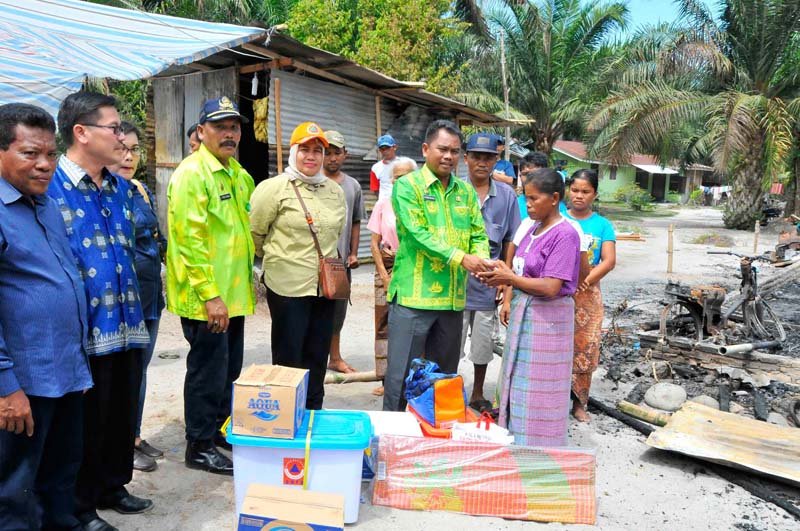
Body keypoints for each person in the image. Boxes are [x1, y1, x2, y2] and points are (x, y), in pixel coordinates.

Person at [49, 91, 153, 529]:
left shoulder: (120, 187)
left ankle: (114, 484)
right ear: (81, 132)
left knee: (120, 410)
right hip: (83, 328)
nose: (120, 136)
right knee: (85, 422)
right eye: (112, 127)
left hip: (126, 320)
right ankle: (80, 504)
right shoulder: (51, 187)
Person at [0, 103, 93, 531]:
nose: (44, 164)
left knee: (61, 472)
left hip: (66, 370)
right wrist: (6, 387)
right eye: (29, 153)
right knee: (15, 488)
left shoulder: (46, 206)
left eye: (51, 154)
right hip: (24, 382)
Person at [167, 97, 255, 476]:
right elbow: (189, 239)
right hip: (209, 298)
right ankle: (198, 445)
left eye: (234, 127)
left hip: (233, 296)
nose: (230, 134)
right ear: (201, 132)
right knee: (206, 372)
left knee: (228, 369)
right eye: (220, 127)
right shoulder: (192, 174)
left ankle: (218, 432)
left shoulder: (238, 174)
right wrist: (211, 295)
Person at [383, 120, 490, 412]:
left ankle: (433, 447)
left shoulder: (465, 193)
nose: (448, 156)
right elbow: (417, 235)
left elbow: (478, 233)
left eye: (455, 151)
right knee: (401, 379)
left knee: (443, 381)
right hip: (413, 299)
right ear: (426, 149)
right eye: (443, 149)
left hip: (452, 303)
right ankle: (390, 444)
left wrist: (481, 259)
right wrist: (462, 258)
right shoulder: (407, 186)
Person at [478, 168, 581, 447]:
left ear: (555, 198)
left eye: (535, 199)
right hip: (528, 315)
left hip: (548, 323)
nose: (529, 204)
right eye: (527, 198)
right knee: (519, 382)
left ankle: (539, 446)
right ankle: (517, 438)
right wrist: (501, 272)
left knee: (540, 388)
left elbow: (551, 287)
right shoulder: (533, 229)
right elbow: (521, 269)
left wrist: (510, 278)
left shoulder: (565, 235)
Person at [250, 122, 345, 410]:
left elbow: (336, 231)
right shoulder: (274, 188)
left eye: (318, 151)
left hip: (325, 287)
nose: (311, 157)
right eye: (304, 149)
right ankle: (285, 414)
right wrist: (280, 258)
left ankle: (313, 412)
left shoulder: (334, 191)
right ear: (293, 152)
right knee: (289, 355)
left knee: (317, 354)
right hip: (287, 286)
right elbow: (255, 232)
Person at [107, 121, 166, 472]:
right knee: (121, 375)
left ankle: (134, 435)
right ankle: (119, 444)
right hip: (120, 304)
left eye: (133, 150)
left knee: (139, 372)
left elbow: (157, 237)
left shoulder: (141, 190)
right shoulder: (103, 194)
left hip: (149, 297)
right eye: (121, 149)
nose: (128, 157)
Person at [459, 133, 521, 412]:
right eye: (476, 157)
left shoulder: (507, 195)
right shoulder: (455, 191)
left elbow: (511, 241)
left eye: (488, 158)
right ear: (466, 159)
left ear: (496, 160)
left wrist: (506, 281)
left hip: (488, 285)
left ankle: (477, 393)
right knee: (449, 345)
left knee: (483, 344)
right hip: (455, 283)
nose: (481, 163)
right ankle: (447, 391)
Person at [565, 169, 616, 422]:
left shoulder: (602, 225)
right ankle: (551, 398)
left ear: (594, 194)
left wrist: (585, 281)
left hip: (588, 294)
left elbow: (608, 260)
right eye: (575, 190)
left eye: (585, 192)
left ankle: (579, 404)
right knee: (555, 346)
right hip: (558, 291)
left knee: (585, 349)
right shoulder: (559, 218)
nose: (579, 196)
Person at [367, 158, 418, 397]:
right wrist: (384, 276)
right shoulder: (383, 205)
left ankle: (412, 379)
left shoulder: (420, 205)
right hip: (386, 268)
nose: (401, 181)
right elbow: (374, 244)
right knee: (384, 325)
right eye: (396, 177)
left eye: (406, 176)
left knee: (411, 326)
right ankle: (387, 380)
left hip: (412, 269)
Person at [323, 130, 365, 374]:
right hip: (315, 260)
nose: (331, 158)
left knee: (338, 312)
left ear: (345, 155)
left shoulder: (353, 186)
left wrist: (353, 252)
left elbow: (356, 220)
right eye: (326, 152)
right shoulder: (312, 180)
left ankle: (335, 357)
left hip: (340, 263)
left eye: (336, 153)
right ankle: (314, 355)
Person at [517, 151, 549, 218]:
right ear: (520, 176)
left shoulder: (555, 206)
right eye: (526, 174)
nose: (530, 178)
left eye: (535, 173)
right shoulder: (513, 204)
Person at [369, 134, 399, 201]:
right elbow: (375, 189)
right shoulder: (376, 168)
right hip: (385, 204)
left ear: (394, 147)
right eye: (382, 149)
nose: (385, 151)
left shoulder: (403, 165)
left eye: (387, 148)